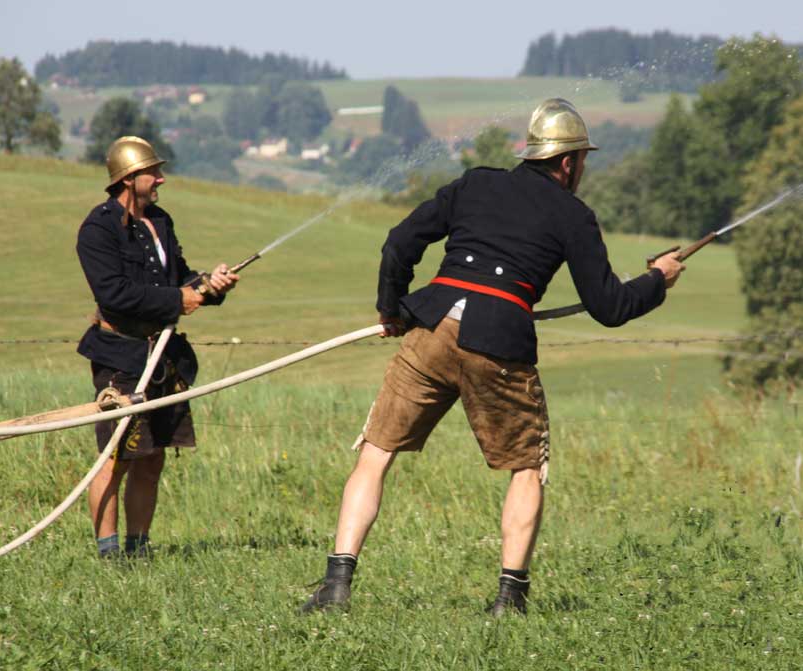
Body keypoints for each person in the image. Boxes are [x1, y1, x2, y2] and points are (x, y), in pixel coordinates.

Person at [301, 99, 685, 614]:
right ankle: (510, 598)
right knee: (526, 467)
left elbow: (399, 243)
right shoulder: (573, 214)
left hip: (431, 329)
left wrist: (391, 309)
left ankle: (335, 587)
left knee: (376, 454)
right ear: (568, 162)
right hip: (499, 341)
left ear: (531, 151)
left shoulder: (475, 183)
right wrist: (658, 279)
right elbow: (610, 307)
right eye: (583, 161)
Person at [76, 136, 238, 559]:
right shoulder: (97, 230)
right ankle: (109, 555)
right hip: (121, 356)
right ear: (130, 179)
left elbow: (180, 277)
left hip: (163, 355)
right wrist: (178, 300)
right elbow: (114, 294)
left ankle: (139, 548)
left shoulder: (161, 220)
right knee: (117, 457)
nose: (161, 179)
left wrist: (208, 284)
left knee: (152, 458)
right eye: (153, 172)